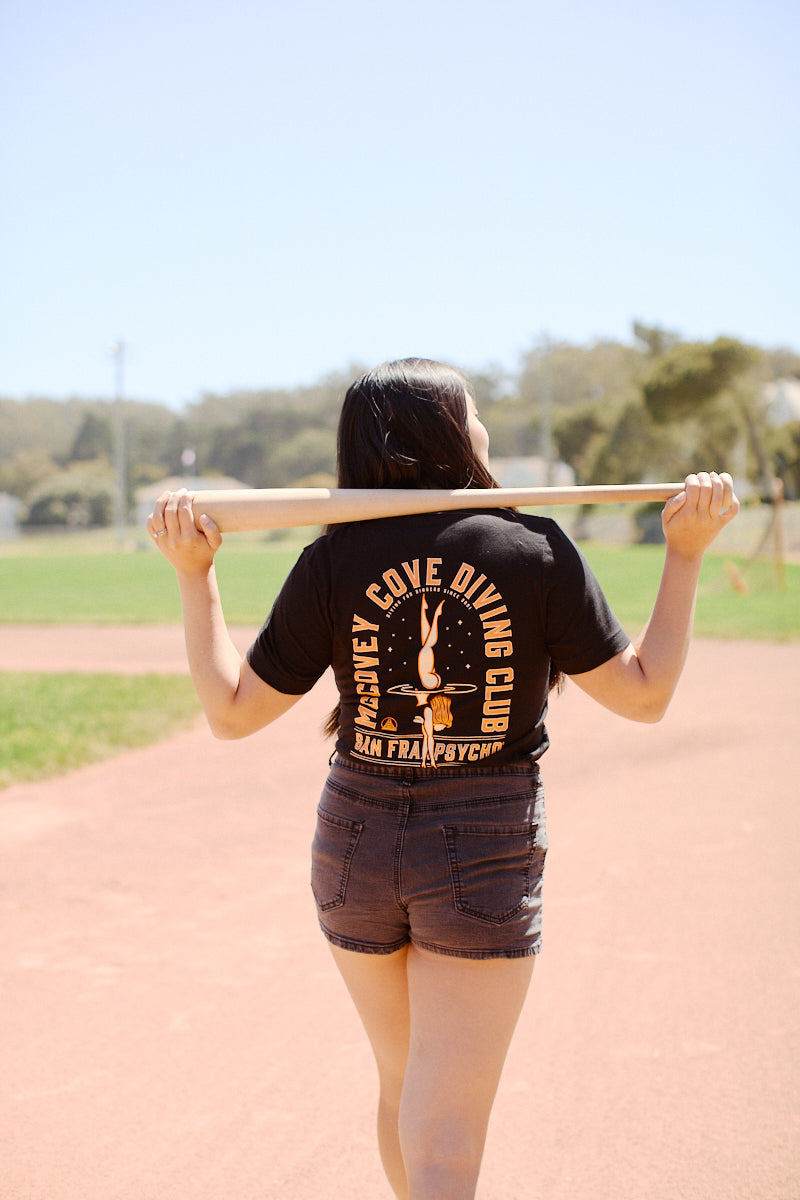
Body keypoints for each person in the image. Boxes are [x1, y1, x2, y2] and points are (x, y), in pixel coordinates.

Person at [147, 358, 738, 1200]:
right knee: (447, 1135)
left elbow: (232, 713)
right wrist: (685, 556)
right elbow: (644, 697)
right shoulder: (530, 547)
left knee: (404, 1086)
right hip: (481, 847)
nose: (488, 428)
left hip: (352, 842)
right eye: (477, 413)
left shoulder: (334, 560)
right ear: (452, 434)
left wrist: (193, 576)